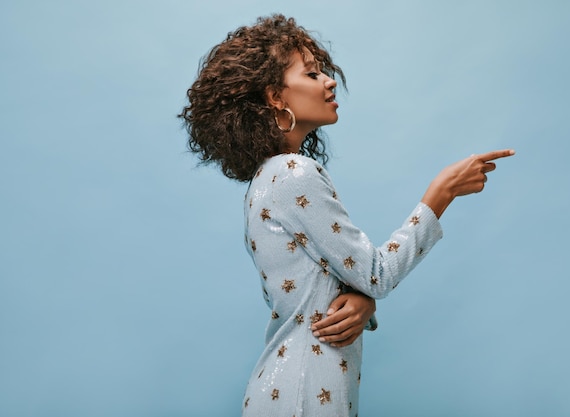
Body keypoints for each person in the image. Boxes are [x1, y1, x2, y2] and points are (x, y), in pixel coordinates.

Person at [179, 14, 514, 417]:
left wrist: (363, 303)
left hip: (288, 387)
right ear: (274, 96)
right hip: (303, 391)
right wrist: (442, 194)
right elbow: (376, 272)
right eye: (312, 73)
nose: (329, 81)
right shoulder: (293, 174)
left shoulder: (265, 180)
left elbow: (313, 295)